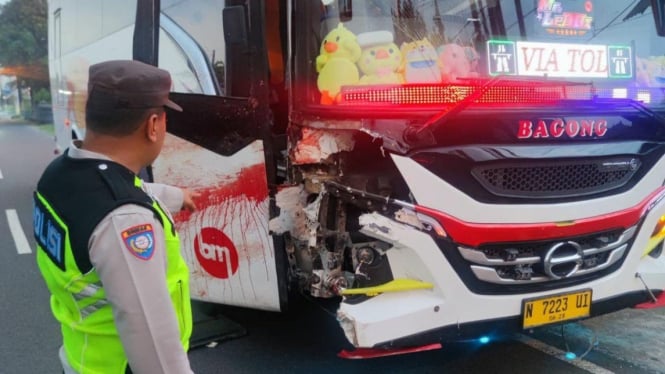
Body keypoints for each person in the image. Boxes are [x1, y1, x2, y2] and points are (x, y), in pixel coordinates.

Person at [33, 59, 198, 373]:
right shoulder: (127, 223)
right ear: (152, 126)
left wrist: (175, 196)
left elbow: (120, 189)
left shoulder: (59, 174)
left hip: (82, 355)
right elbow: (152, 341)